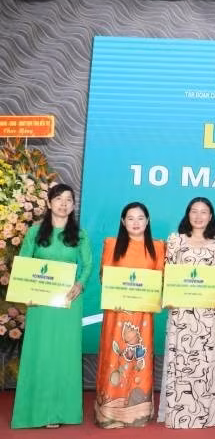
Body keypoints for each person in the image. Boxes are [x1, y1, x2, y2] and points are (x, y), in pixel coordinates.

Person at [11, 183, 92, 429]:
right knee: (41, 353)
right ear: (49, 203)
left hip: (68, 303)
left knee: (63, 355)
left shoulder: (79, 235)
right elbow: (24, 262)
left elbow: (88, 264)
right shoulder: (35, 232)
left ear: (74, 205)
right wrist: (26, 292)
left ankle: (59, 411)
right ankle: (36, 410)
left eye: (69, 199)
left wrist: (80, 284)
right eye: (58, 199)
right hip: (39, 304)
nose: (63, 203)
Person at [157, 197, 215, 429]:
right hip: (181, 316)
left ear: (211, 216)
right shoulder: (175, 241)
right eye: (194, 211)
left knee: (206, 365)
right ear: (187, 214)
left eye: (204, 212)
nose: (199, 216)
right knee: (181, 362)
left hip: (208, 316)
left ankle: (206, 415)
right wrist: (168, 296)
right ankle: (179, 414)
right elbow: (167, 275)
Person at [95, 202, 165, 428]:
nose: (136, 223)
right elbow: (104, 278)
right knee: (114, 358)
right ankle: (109, 412)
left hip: (143, 317)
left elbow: (160, 281)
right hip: (116, 315)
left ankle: (138, 412)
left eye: (140, 218)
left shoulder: (157, 247)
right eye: (130, 218)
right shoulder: (112, 244)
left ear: (148, 221)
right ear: (123, 222)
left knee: (139, 359)